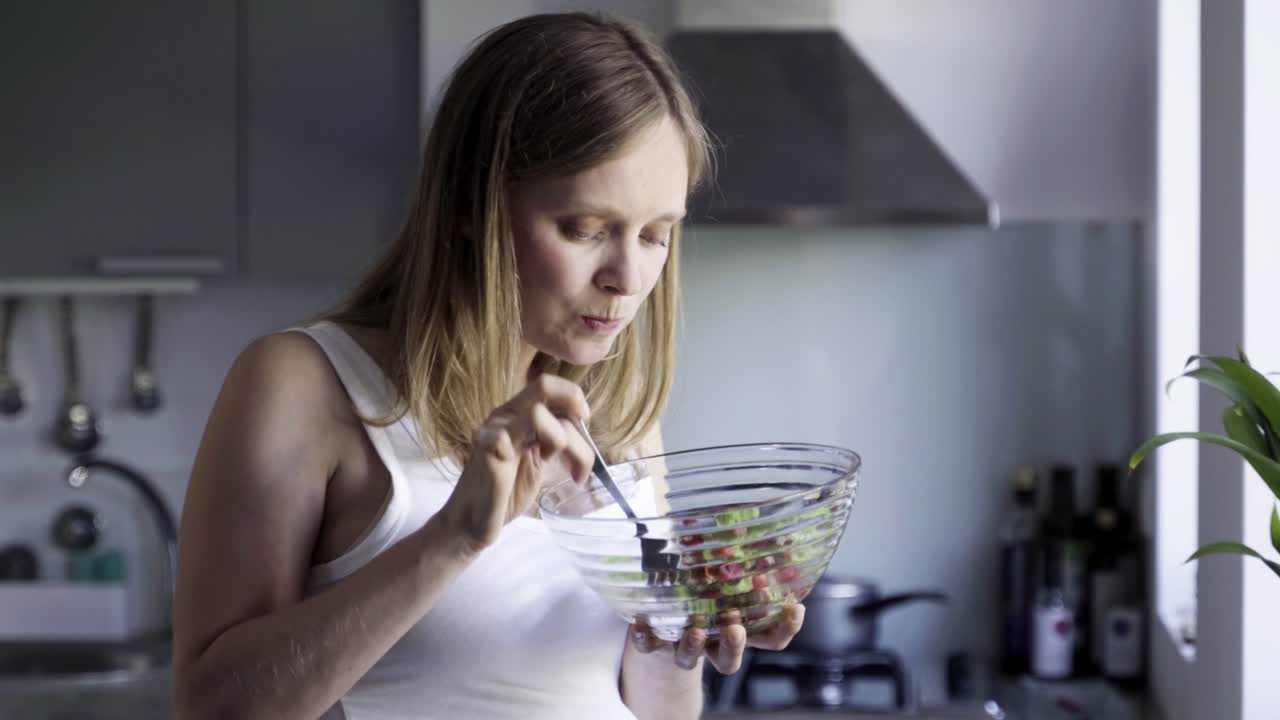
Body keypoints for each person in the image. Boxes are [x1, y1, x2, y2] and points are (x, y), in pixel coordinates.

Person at [172, 12, 805, 720]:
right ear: (476, 204)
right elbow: (212, 708)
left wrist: (680, 638)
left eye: (657, 235)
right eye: (585, 230)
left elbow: (659, 712)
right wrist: (455, 537)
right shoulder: (307, 385)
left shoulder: (621, 421)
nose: (628, 278)